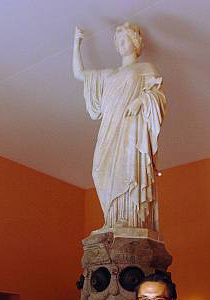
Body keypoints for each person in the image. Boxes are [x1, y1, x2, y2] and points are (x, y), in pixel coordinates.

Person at [73, 23, 166, 230]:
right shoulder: (110, 73)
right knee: (99, 170)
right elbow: (80, 74)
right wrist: (76, 44)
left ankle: (129, 220)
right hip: (109, 129)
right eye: (118, 41)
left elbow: (158, 95)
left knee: (128, 168)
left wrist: (141, 101)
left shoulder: (145, 69)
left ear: (135, 42)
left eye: (124, 39)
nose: (120, 44)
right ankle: (112, 220)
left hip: (130, 129)